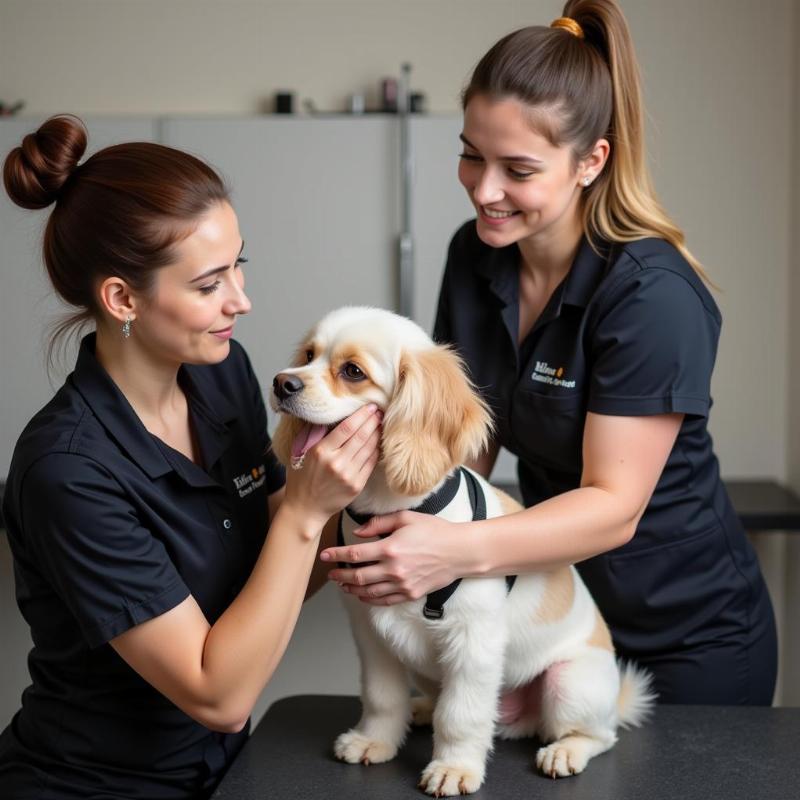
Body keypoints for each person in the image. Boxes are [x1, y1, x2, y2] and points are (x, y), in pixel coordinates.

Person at [320, 0, 778, 706]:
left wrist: (447, 551)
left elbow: (613, 508)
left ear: (592, 160)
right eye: (471, 154)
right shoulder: (475, 257)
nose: (484, 188)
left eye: (518, 168)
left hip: (684, 635)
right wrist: (375, 512)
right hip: (544, 615)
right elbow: (461, 447)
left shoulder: (652, 296)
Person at [0, 114, 382, 799]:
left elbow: (279, 571)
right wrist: (304, 511)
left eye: (240, 263)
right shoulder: (66, 472)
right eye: (209, 285)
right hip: (95, 786)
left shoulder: (219, 373)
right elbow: (219, 695)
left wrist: (370, 512)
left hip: (224, 768)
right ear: (121, 298)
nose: (242, 298)